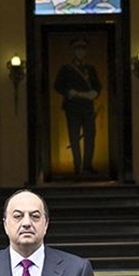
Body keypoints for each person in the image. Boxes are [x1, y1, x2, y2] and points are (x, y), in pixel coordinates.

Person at [52, 37, 102, 176]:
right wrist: (69, 92)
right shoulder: (66, 69)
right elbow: (57, 85)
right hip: (73, 108)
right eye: (77, 49)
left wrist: (95, 92)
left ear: (85, 52)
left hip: (87, 106)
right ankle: (77, 166)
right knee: (74, 137)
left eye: (82, 49)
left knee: (90, 136)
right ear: (73, 51)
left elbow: (97, 85)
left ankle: (87, 165)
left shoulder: (90, 69)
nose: (80, 52)